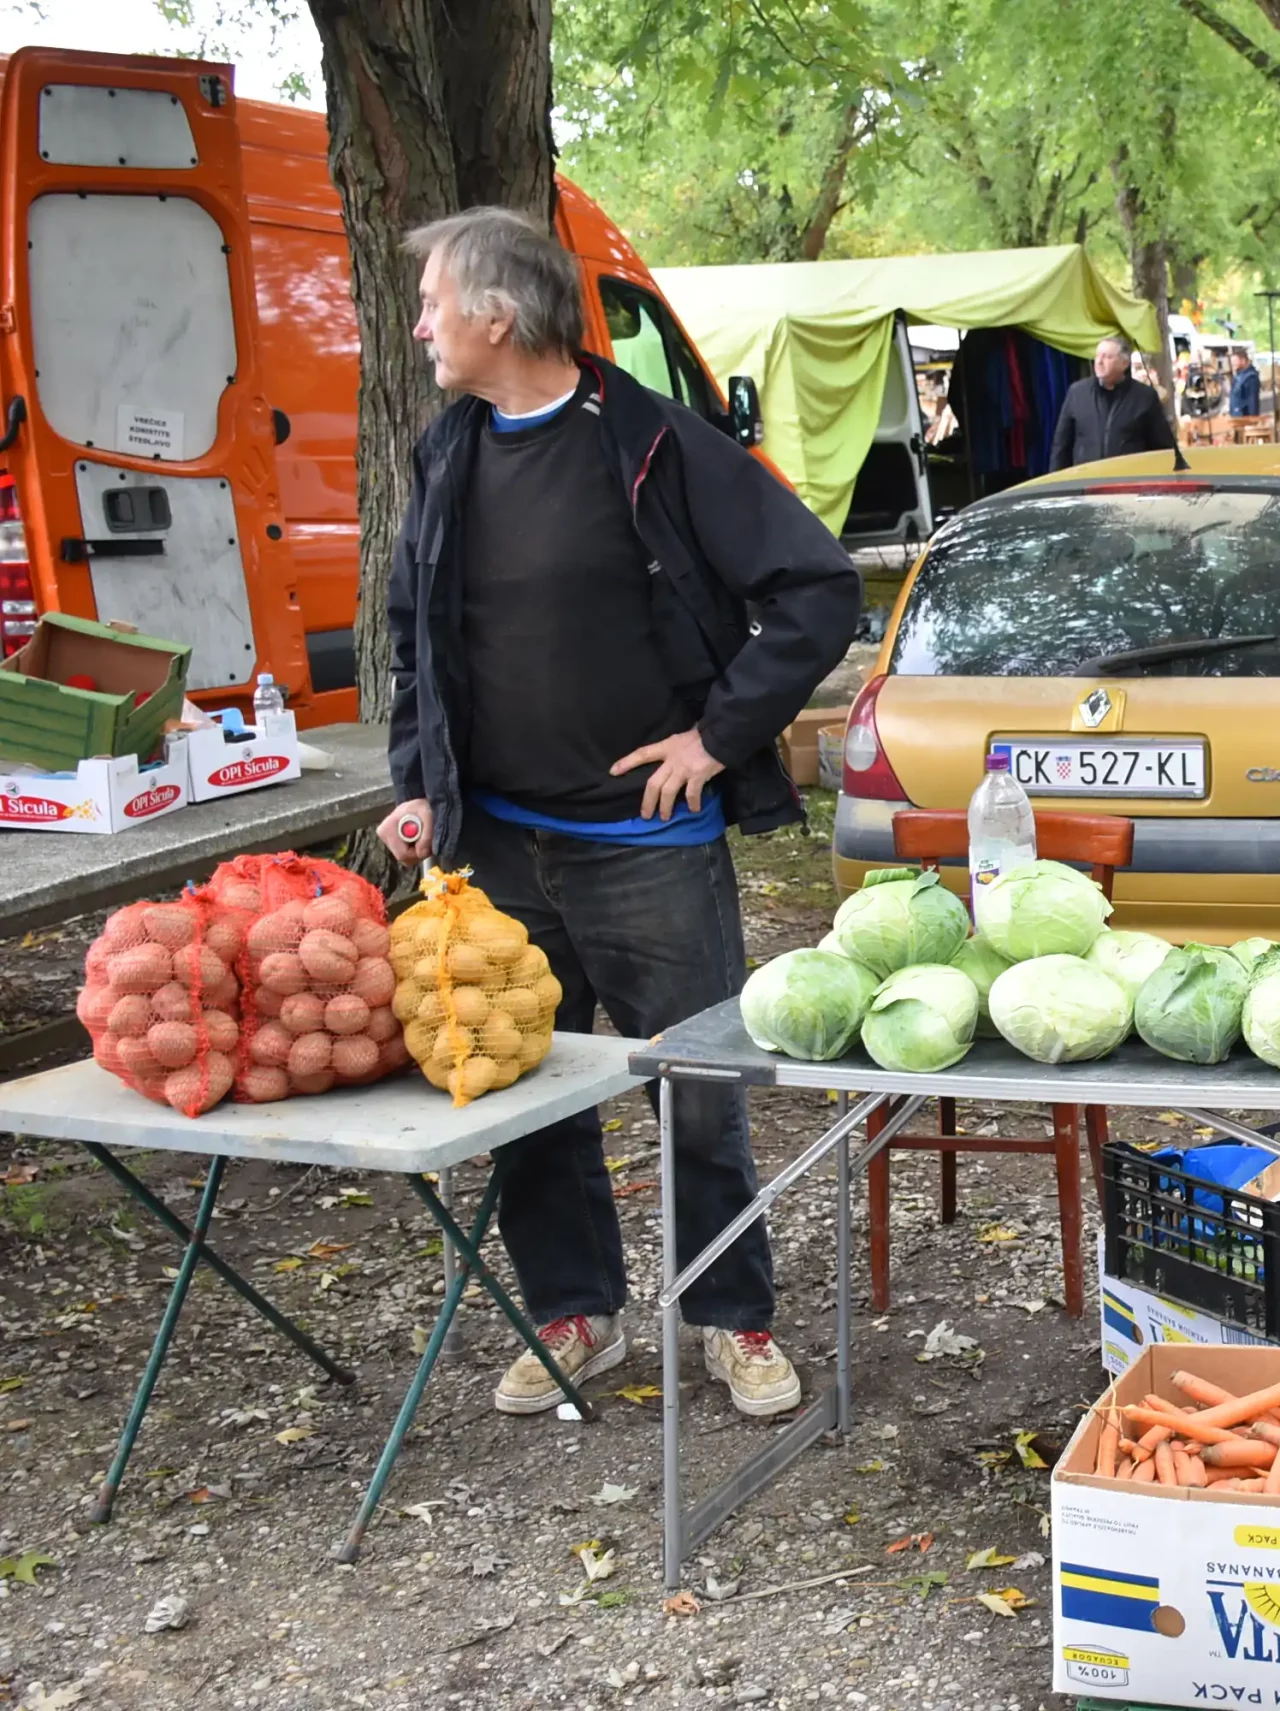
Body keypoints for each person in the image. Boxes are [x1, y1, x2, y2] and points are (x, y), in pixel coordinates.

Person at [378, 207, 867, 1418]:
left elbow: (816, 589)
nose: (423, 323)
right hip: (491, 842)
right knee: (525, 1088)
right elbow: (410, 631)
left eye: (437, 301)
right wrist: (414, 779)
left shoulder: (653, 440)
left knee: (694, 1091)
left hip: (645, 850)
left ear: (499, 315)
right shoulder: (449, 450)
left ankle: (731, 1317)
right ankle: (574, 1309)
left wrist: (715, 737)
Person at [1050, 335, 1175, 469]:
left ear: (1124, 363)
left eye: (1107, 357)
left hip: (1127, 481)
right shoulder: (1077, 393)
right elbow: (1061, 445)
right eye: (1098, 356)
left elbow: (1163, 446)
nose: (1099, 361)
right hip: (1086, 480)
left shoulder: (1144, 397)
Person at [1226, 349, 1262, 419]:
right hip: (1236, 416)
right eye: (1232, 362)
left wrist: (1252, 419)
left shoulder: (1251, 378)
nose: (1233, 364)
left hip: (1244, 418)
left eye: (1235, 361)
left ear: (1243, 360)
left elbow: (1252, 401)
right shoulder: (1238, 376)